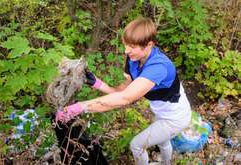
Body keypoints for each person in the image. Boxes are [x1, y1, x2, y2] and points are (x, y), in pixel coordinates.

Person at [55, 17, 192, 165]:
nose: (127, 51)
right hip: (162, 112)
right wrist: (97, 83)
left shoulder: (159, 67)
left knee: (137, 146)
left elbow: (125, 99)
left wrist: (79, 107)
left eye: (132, 46)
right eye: (126, 45)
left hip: (176, 118)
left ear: (149, 45)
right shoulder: (134, 59)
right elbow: (121, 91)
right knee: (162, 142)